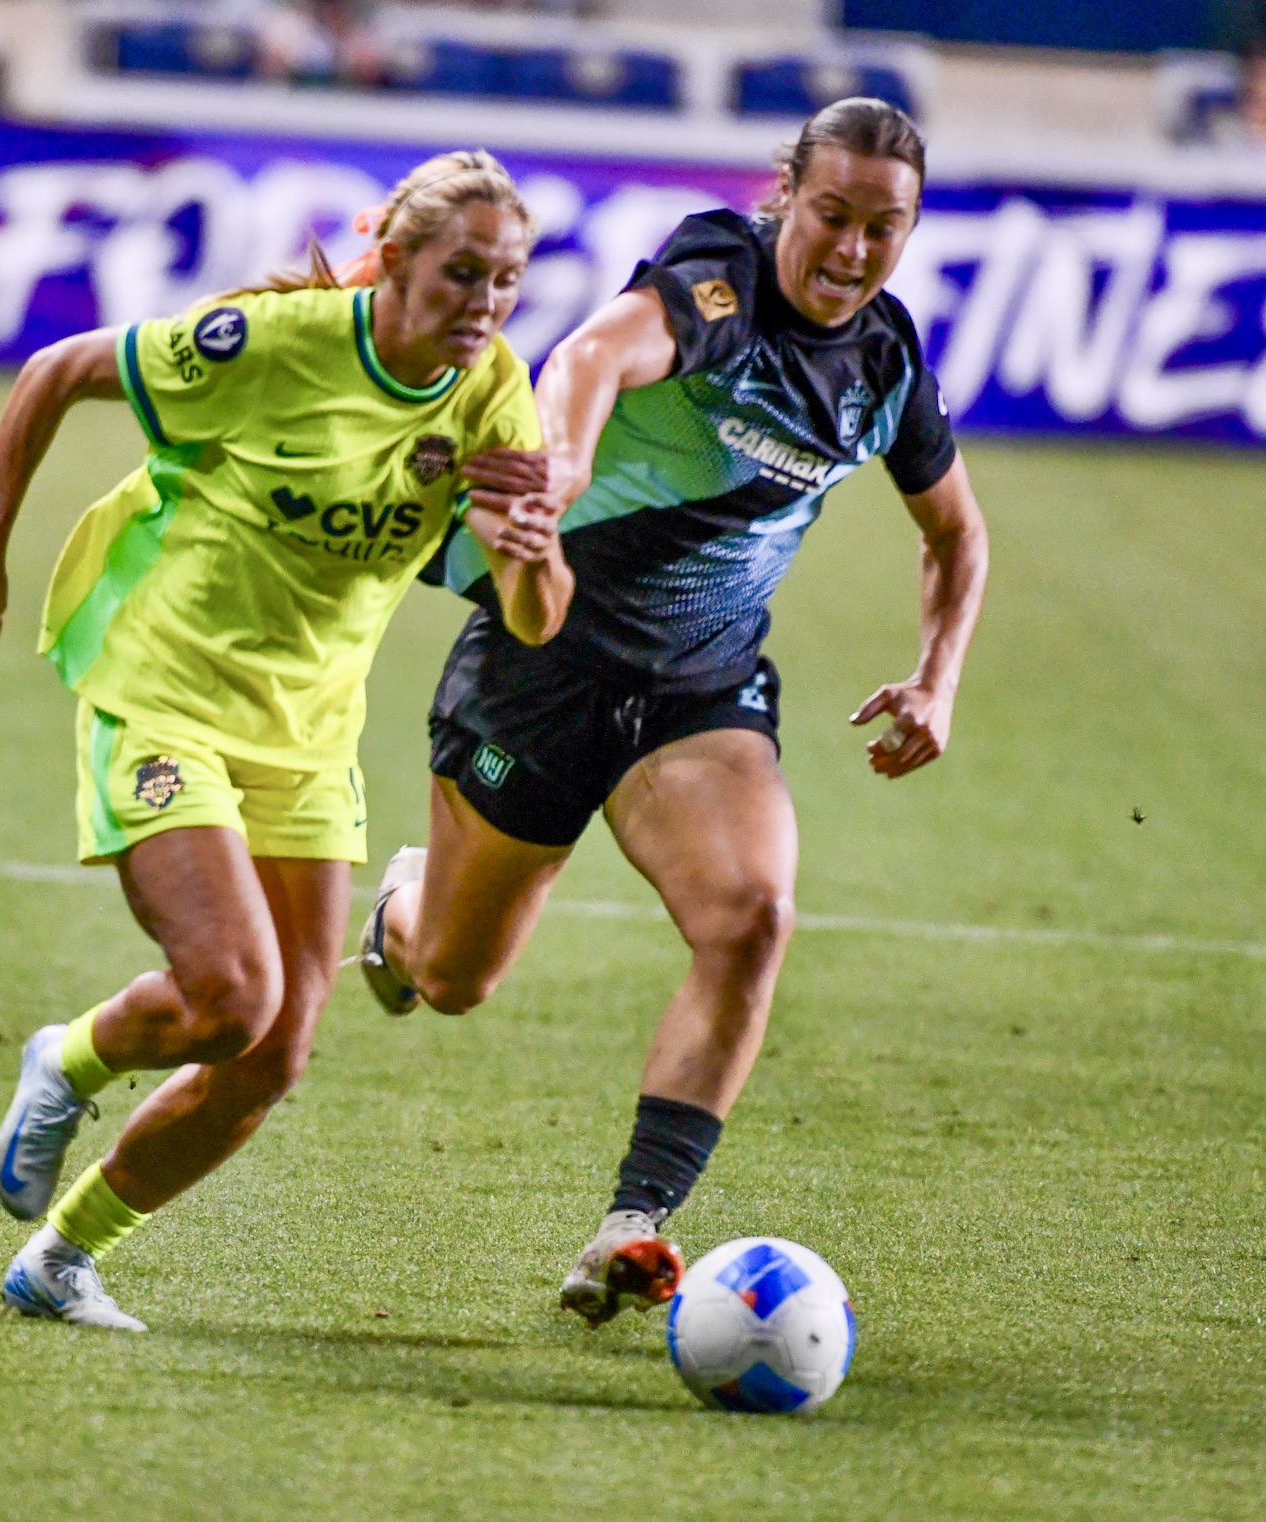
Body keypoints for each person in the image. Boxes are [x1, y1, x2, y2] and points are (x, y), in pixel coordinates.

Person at [359, 99, 990, 1326]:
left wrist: (937, 676)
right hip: (539, 672)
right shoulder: (718, 282)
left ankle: (632, 1225)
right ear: (783, 198)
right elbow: (593, 356)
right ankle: (398, 914)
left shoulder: (887, 362)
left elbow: (955, 532)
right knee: (449, 976)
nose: (851, 250)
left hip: (698, 689)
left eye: (883, 227)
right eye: (831, 216)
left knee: (753, 914)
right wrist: (568, 462)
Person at [0, 150, 565, 1331]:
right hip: (165, 687)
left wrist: (527, 545)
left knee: (270, 1058)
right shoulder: (272, 347)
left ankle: (62, 1256)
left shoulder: (494, 393)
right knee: (230, 997)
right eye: (461, 274)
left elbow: (537, 618)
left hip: (308, 738)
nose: (483, 304)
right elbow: (54, 369)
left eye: (508, 281)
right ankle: (68, 1059)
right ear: (396, 259)